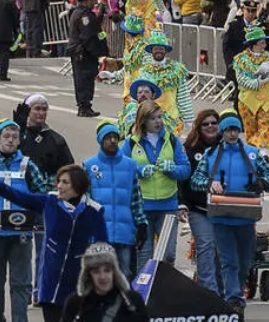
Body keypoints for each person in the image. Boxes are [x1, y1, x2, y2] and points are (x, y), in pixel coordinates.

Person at [190, 113, 269, 313]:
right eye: (228, 130)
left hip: (245, 218)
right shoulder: (211, 155)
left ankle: (234, 294)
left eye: (235, 130)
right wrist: (210, 183)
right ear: (223, 132)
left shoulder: (253, 154)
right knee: (228, 261)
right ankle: (234, 301)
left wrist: (260, 183)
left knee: (245, 262)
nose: (232, 134)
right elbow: (195, 181)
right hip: (220, 217)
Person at [32, 164, 106, 322]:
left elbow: (103, 247)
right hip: (50, 282)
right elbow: (22, 198)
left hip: (77, 284)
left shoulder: (93, 210)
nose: (59, 186)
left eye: (65, 182)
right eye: (59, 181)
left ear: (78, 186)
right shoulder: (50, 202)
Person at [0, 121, 47, 322]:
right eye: (6, 136)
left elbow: (41, 194)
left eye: (14, 137)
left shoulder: (28, 165)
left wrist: (38, 215)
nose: (10, 140)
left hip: (21, 233)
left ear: (19, 141)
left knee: (20, 283)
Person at [123, 98, 190, 265]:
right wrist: (139, 171)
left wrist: (172, 168)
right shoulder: (130, 142)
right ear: (143, 120)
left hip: (167, 206)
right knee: (145, 256)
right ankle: (144, 291)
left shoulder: (171, 140)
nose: (158, 121)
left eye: (159, 117)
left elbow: (186, 169)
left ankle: (165, 289)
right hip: (142, 208)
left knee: (168, 255)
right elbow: (122, 169)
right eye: (153, 118)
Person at [83, 121, 148, 280]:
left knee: (124, 275)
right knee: (101, 276)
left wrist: (141, 223)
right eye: (108, 137)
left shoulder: (130, 165)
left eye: (115, 137)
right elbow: (85, 199)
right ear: (100, 140)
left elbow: (135, 198)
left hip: (124, 231)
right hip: (100, 232)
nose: (112, 141)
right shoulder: (90, 166)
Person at [179, 109, 223, 293]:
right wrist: (182, 204)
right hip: (198, 208)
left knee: (221, 254)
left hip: (224, 209)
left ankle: (224, 296)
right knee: (205, 247)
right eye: (206, 124)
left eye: (214, 123)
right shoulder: (189, 149)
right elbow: (182, 181)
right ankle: (209, 294)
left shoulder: (228, 146)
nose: (210, 127)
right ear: (199, 127)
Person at [232, 27, 269, 147]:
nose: (264, 45)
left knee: (265, 125)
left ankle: (263, 152)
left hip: (267, 100)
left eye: (264, 42)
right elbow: (241, 80)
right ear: (253, 44)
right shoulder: (241, 59)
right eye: (262, 43)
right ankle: (251, 153)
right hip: (247, 100)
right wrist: (257, 83)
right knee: (250, 130)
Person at [67, 0, 106, 117]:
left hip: (80, 52)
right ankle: (84, 107)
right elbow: (88, 36)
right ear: (86, 0)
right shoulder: (84, 16)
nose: (94, 3)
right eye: (92, 0)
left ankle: (84, 106)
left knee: (83, 79)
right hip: (83, 53)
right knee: (85, 80)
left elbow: (96, 29)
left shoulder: (79, 13)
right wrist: (96, 52)